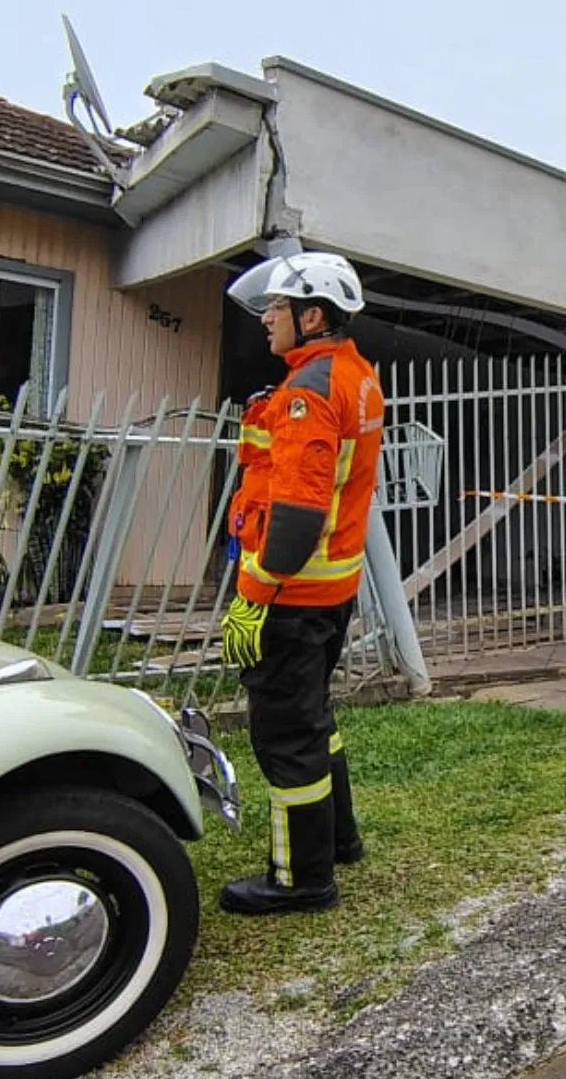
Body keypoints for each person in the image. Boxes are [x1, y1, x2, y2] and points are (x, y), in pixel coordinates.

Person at [217, 250, 384, 915]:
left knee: (285, 736)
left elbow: (295, 516)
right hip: (331, 592)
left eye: (277, 308)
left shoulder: (309, 391)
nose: (266, 319)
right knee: (314, 721)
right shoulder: (357, 376)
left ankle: (302, 878)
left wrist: (253, 598)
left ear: (312, 315)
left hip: (291, 597)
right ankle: (337, 840)